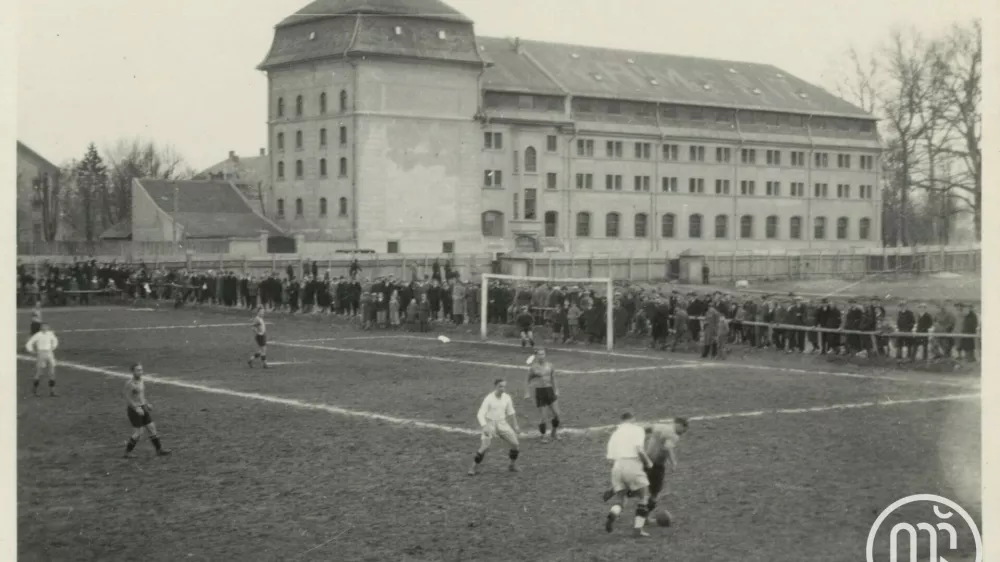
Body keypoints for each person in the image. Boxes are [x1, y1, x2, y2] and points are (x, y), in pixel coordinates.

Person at [604, 412, 654, 537]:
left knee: (621, 499)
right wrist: (648, 463)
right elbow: (639, 449)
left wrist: (614, 486)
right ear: (633, 420)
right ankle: (638, 530)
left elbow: (610, 457)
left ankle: (613, 513)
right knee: (644, 496)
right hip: (631, 464)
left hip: (617, 467)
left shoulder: (615, 434)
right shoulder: (637, 430)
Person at [468, 378, 521, 476]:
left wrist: (516, 425)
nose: (502, 389)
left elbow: (511, 412)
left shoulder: (507, 397)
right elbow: (480, 413)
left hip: (502, 423)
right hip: (489, 423)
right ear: (495, 387)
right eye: (500, 386)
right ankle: (473, 467)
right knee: (484, 446)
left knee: (515, 444)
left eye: (504, 386)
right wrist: (484, 426)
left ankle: (512, 465)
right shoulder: (489, 399)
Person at [123, 363, 171, 458]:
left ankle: (159, 450)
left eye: (141, 370)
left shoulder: (141, 381)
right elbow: (128, 399)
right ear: (132, 372)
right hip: (134, 410)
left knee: (151, 428)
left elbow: (141, 396)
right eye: (138, 370)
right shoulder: (130, 384)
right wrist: (136, 408)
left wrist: (146, 404)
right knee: (139, 433)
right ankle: (127, 453)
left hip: (143, 407)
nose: (140, 372)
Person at [524, 348, 561, 442]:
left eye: (543, 354)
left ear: (545, 355)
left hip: (550, 391)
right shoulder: (533, 368)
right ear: (537, 356)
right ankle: (543, 436)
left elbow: (553, 379)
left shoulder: (550, 365)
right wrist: (527, 392)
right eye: (539, 354)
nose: (541, 356)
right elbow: (527, 380)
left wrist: (556, 390)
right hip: (540, 392)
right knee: (544, 417)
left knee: (557, 414)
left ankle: (554, 432)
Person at [25, 322, 59, 397]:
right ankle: (34, 390)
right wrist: (31, 350)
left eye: (46, 327)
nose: (45, 328)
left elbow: (55, 341)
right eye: (43, 327)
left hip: (49, 353)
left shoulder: (50, 334)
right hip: (41, 354)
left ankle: (52, 391)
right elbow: (29, 343)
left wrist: (53, 347)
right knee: (40, 373)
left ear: (48, 327)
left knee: (52, 372)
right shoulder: (38, 335)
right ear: (41, 328)